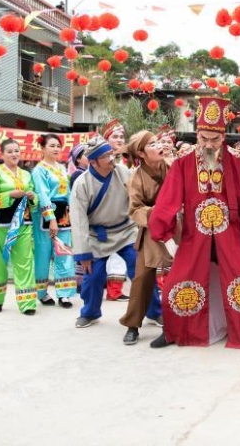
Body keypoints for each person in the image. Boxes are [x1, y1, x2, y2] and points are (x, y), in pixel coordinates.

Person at [148, 96, 240, 350]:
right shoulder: (182, 165)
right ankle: (173, 331)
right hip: (193, 237)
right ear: (197, 135)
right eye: (203, 138)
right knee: (177, 282)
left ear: (224, 137)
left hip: (228, 236)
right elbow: (167, 201)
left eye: (215, 139)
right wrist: (164, 234)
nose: (209, 145)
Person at [69, 137, 138, 328]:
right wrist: (83, 253)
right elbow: (79, 221)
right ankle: (90, 313)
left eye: (110, 153)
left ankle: (153, 311)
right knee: (93, 275)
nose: (111, 157)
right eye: (105, 155)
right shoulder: (82, 184)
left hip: (125, 231)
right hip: (96, 236)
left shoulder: (123, 171)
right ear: (92, 162)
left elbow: (137, 196)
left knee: (140, 269)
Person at [119, 131, 174, 345]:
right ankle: (132, 324)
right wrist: (157, 213)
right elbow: (135, 210)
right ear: (141, 153)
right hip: (151, 231)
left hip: (175, 229)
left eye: (159, 141)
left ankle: (180, 318)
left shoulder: (172, 166)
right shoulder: (135, 178)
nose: (159, 145)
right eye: (153, 143)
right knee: (142, 279)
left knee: (183, 272)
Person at [0, 139, 38, 315]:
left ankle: (28, 303)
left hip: (23, 222)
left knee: (25, 261)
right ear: (1, 154)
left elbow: (35, 199)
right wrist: (9, 195)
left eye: (17, 150)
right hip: (0, 223)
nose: (14, 154)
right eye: (10, 151)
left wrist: (31, 197)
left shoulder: (26, 174)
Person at [32, 133, 76, 308]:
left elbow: (68, 193)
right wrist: (51, 219)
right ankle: (42, 293)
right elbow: (42, 195)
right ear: (42, 148)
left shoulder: (62, 168)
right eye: (52, 145)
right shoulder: (39, 170)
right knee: (43, 254)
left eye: (58, 145)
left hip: (63, 215)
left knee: (63, 252)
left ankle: (64, 294)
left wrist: (71, 213)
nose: (56, 148)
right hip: (45, 216)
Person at [101, 119, 133, 300]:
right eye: (115, 137)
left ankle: (116, 290)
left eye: (122, 136)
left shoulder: (127, 159)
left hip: (123, 211)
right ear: (107, 139)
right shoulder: (100, 159)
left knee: (120, 253)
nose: (120, 139)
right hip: (104, 212)